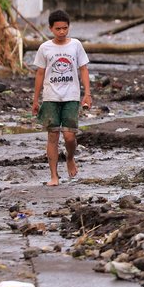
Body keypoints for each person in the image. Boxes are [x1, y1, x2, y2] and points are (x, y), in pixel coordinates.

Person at [32, 10, 92, 186]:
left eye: (65, 28)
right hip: (50, 97)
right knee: (52, 136)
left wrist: (87, 93)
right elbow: (40, 73)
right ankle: (54, 176)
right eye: (58, 29)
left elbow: (83, 69)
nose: (62, 32)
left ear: (69, 27)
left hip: (71, 96)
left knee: (69, 137)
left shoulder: (75, 45)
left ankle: (70, 157)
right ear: (51, 28)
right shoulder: (45, 48)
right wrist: (36, 100)